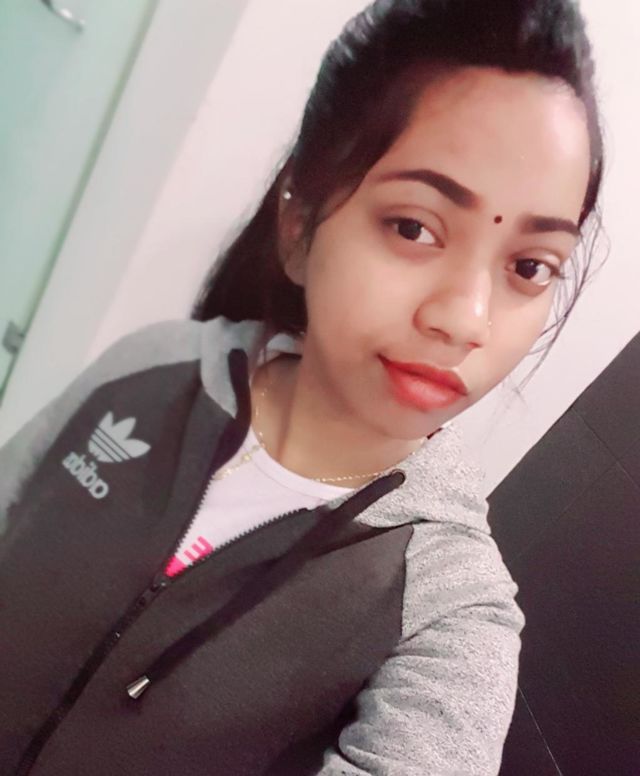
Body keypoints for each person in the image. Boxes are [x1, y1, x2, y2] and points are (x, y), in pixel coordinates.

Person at [0, 0, 604, 773]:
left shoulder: (445, 609)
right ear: (300, 221)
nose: (465, 319)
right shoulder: (152, 367)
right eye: (414, 227)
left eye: (529, 267)